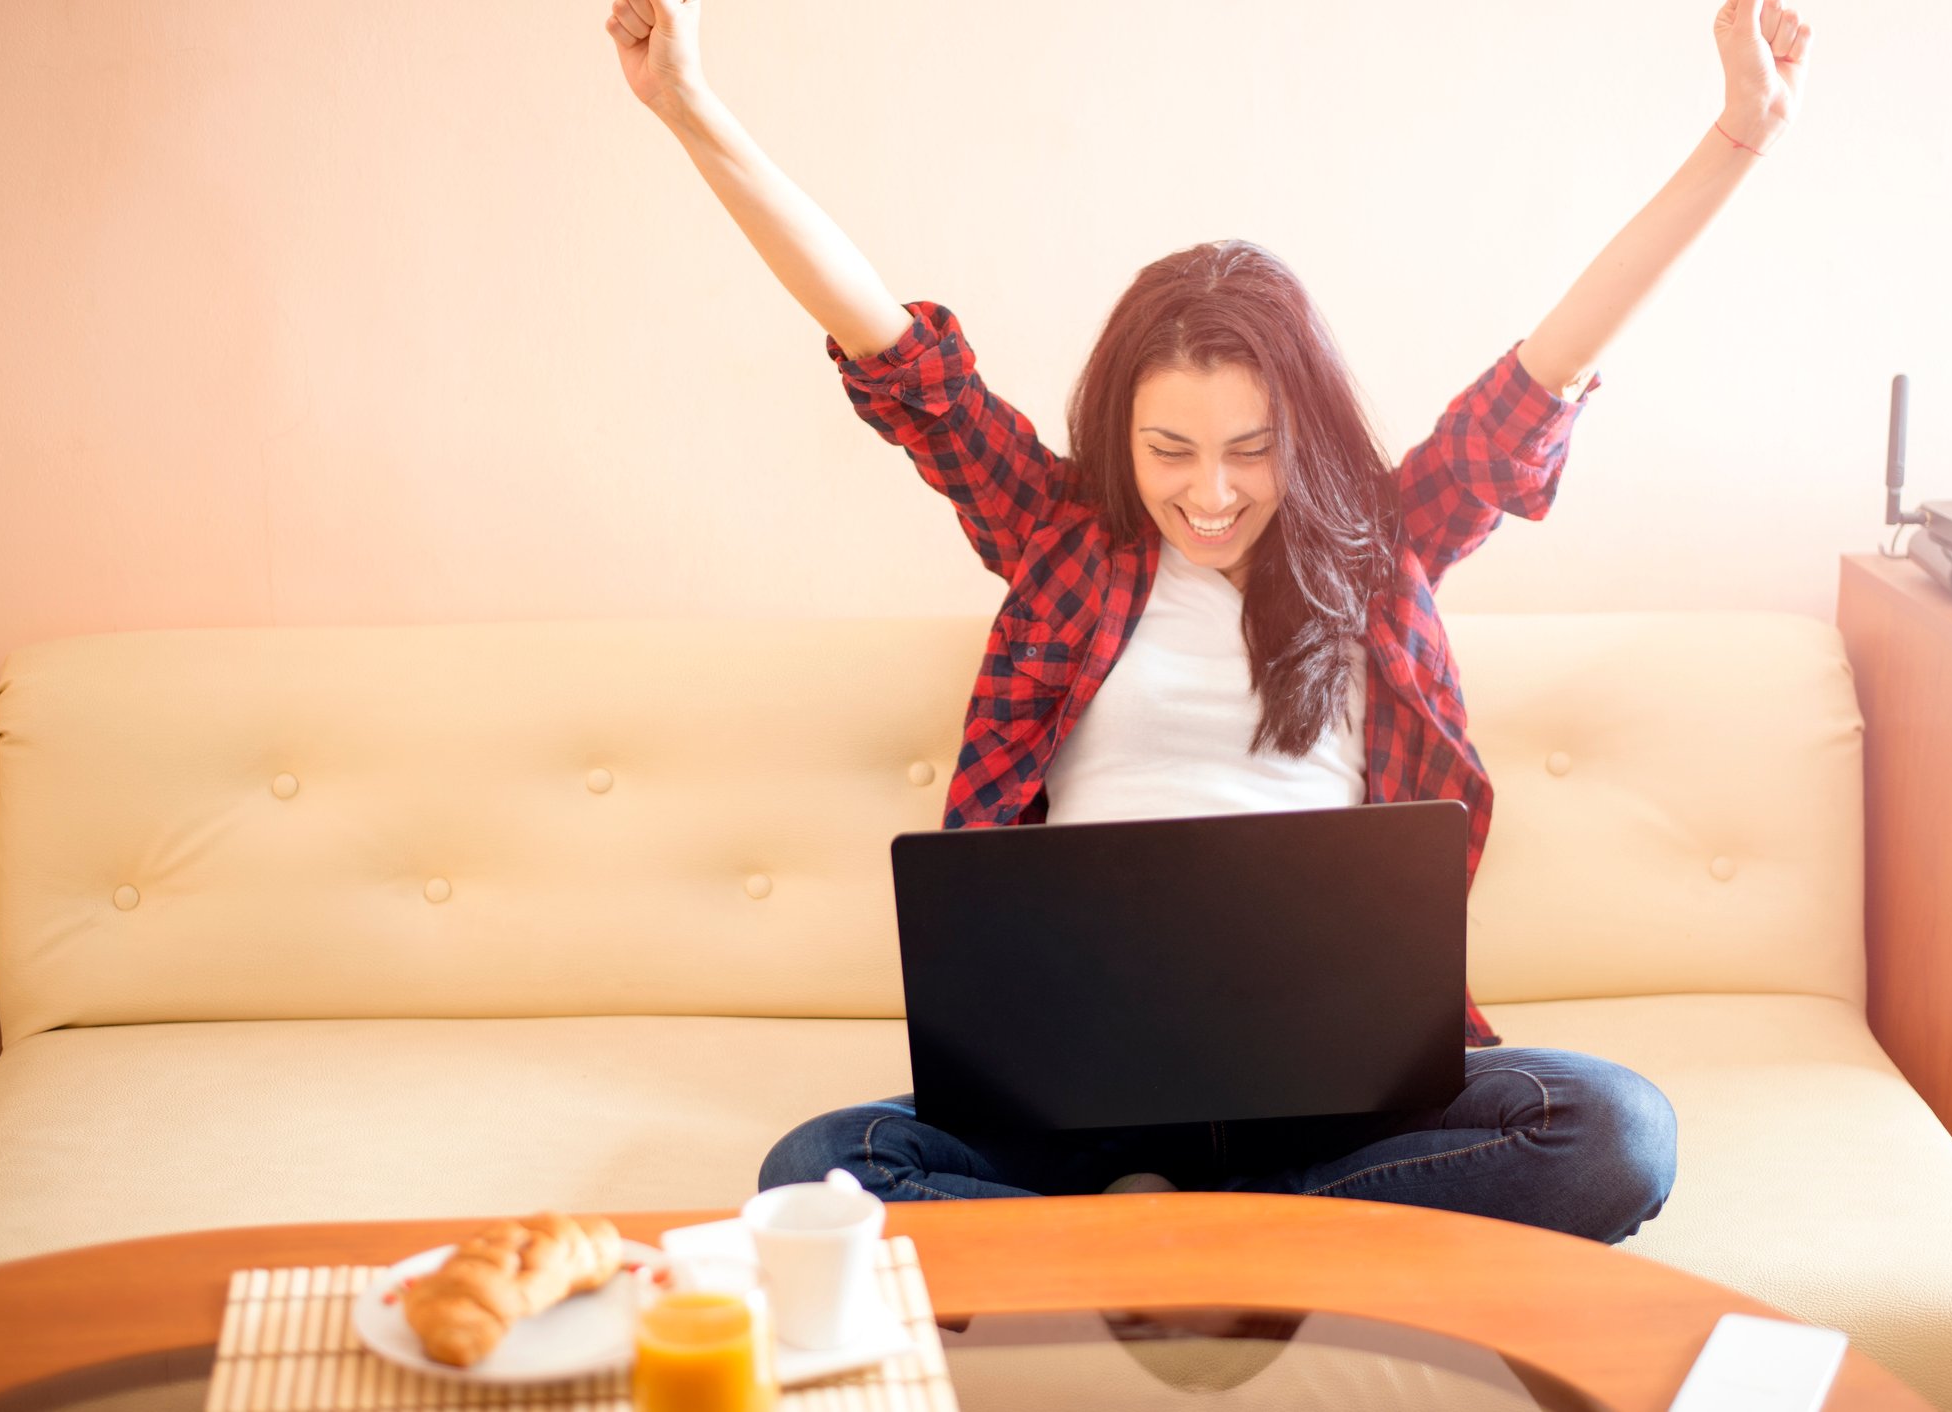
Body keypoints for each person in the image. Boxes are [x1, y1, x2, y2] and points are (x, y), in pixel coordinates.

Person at [606, 0, 1813, 1244]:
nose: (1213, 491)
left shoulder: (1382, 550)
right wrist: (689, 106)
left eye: (1252, 450)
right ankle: (1267, 1239)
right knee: (818, 1167)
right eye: (1170, 450)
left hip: (1338, 1098)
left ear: (1305, 435)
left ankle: (1155, 1238)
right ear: (1118, 436)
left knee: (1617, 1128)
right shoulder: (1057, 534)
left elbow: (1552, 366)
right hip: (1074, 1088)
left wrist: (1738, 136)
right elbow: (894, 353)